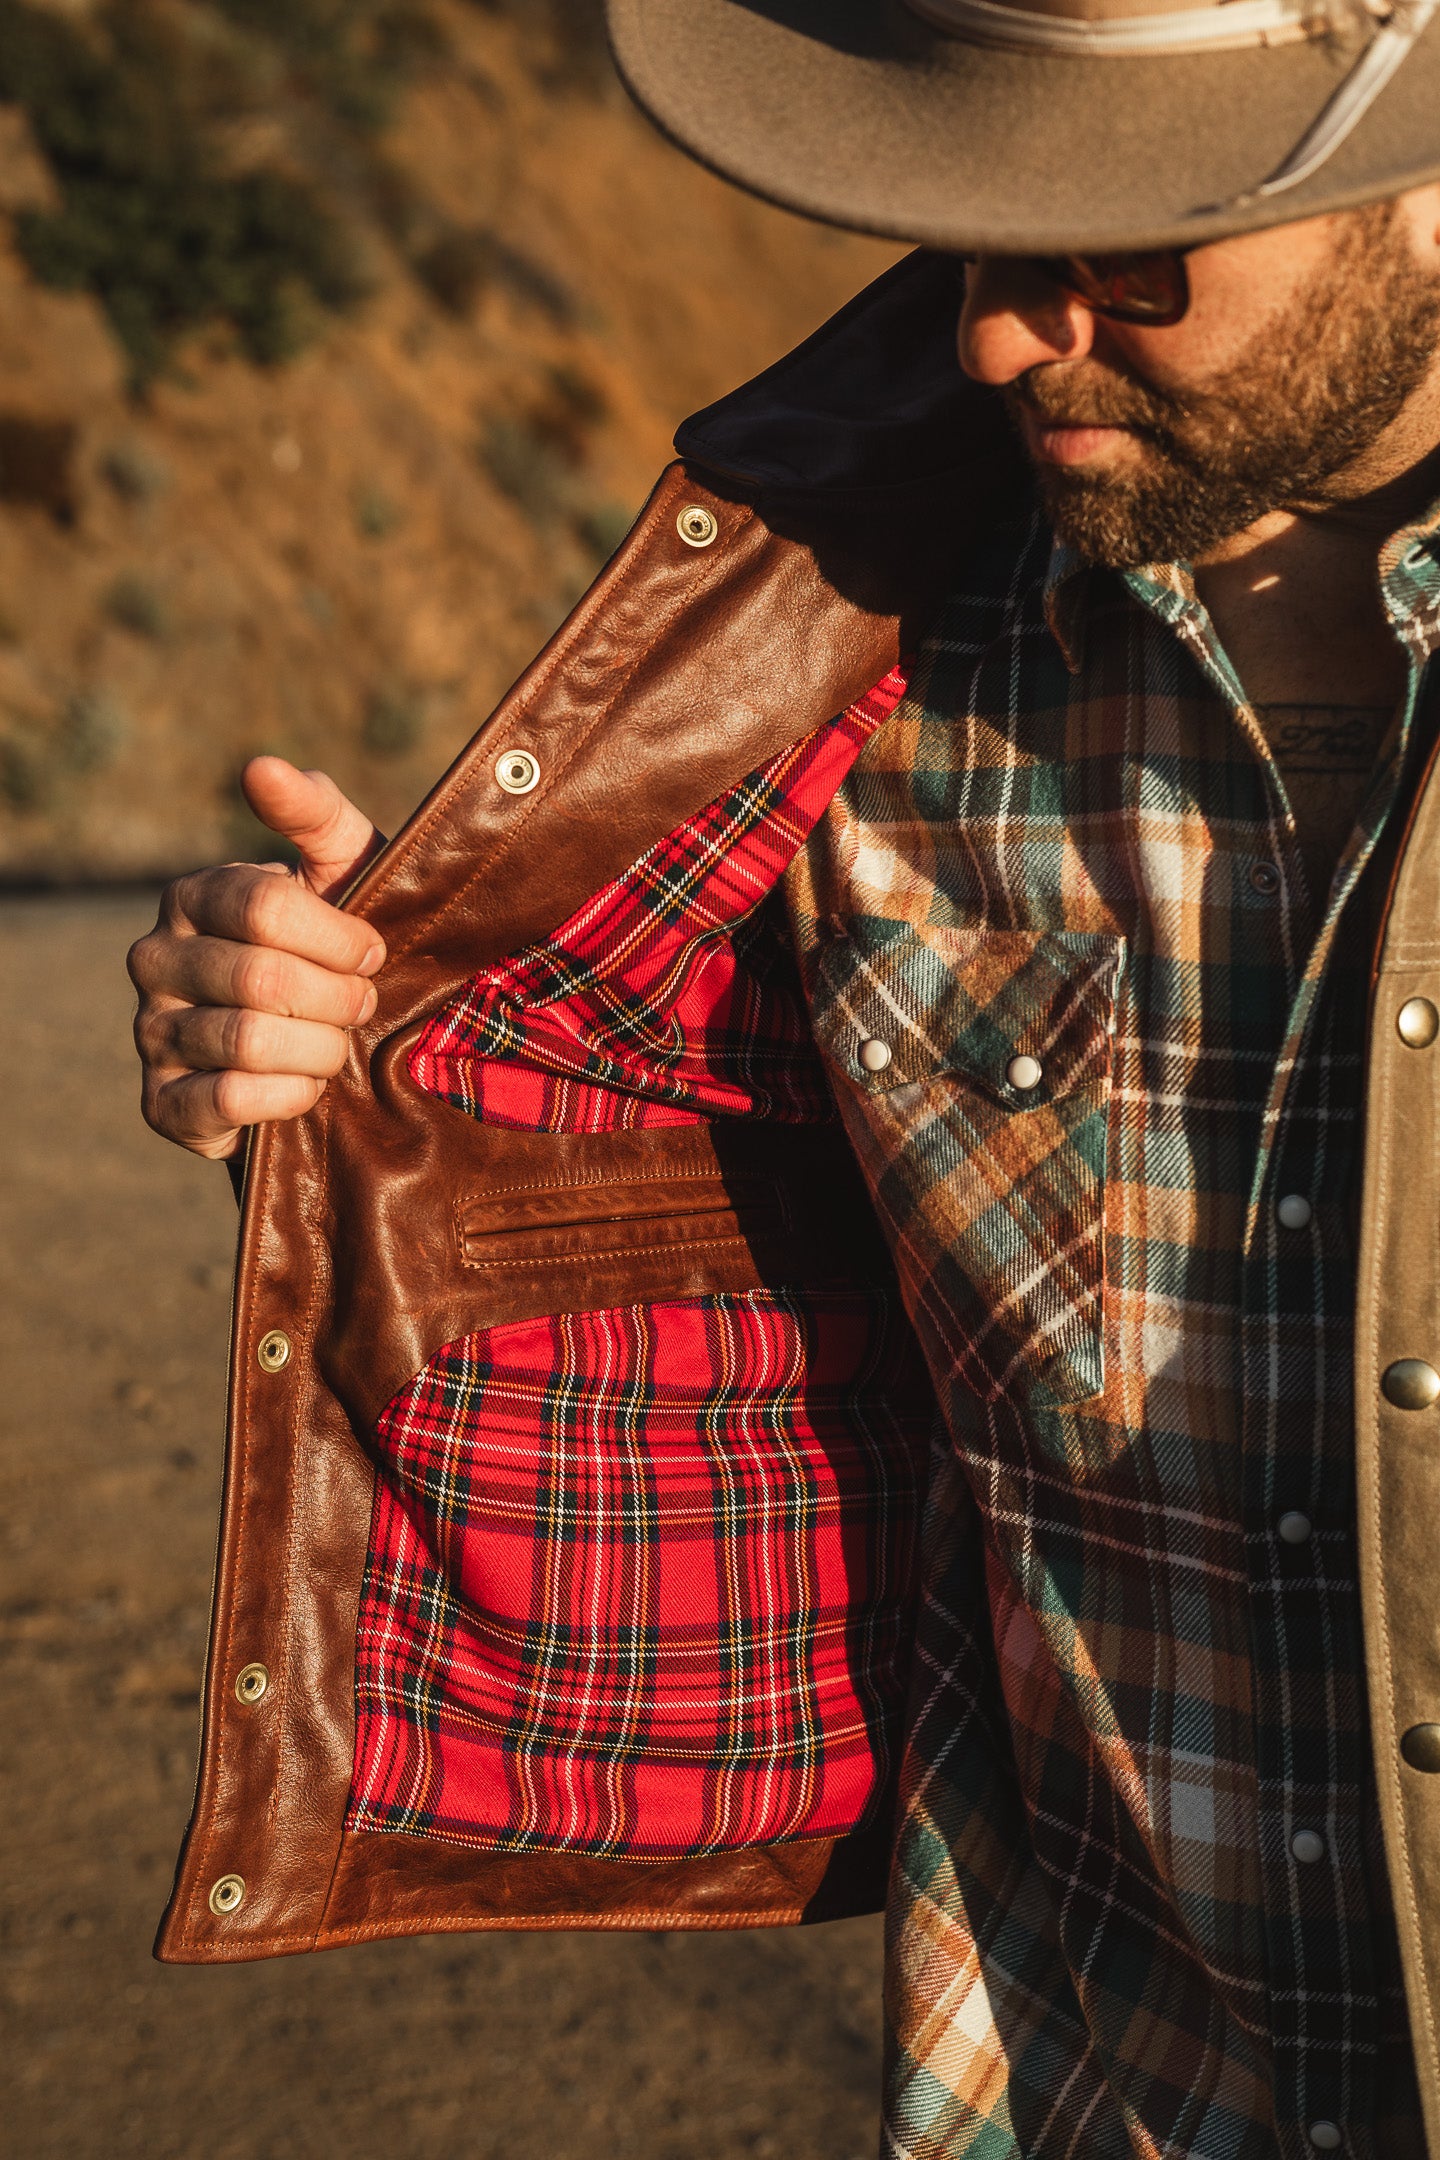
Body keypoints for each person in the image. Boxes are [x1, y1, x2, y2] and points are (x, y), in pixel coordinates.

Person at [128, 2, 1440, 2153]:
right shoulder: (851, 668)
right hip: (1116, 2097)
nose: (1004, 341)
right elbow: (548, 1142)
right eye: (967, 245)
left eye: (1124, 256)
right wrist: (335, 1036)